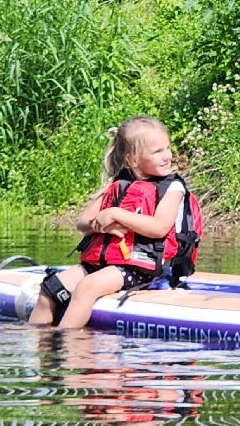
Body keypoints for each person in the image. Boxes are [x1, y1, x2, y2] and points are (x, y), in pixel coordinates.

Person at [29, 116, 186, 329]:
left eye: (167, 148)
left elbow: (159, 228)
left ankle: (67, 342)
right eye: (158, 151)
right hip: (103, 264)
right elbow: (82, 224)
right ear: (133, 159)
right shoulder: (119, 183)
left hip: (142, 269)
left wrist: (116, 214)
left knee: (86, 287)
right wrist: (102, 224)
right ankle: (34, 341)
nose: (167, 156)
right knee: (50, 288)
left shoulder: (173, 187)